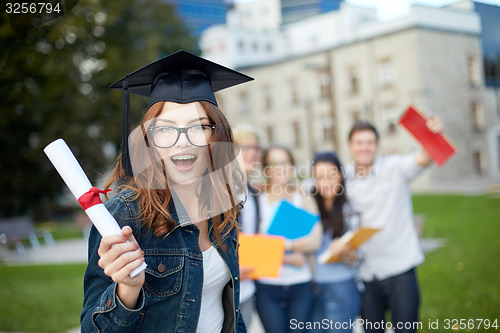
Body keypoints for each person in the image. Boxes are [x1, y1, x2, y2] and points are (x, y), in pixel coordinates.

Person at [80, 50, 253, 333]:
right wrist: (127, 289)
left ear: (216, 134)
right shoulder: (126, 213)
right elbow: (92, 329)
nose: (181, 142)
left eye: (198, 127)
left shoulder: (222, 205)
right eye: (165, 129)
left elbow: (226, 306)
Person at [344, 118, 443, 333]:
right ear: (350, 146)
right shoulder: (344, 177)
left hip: (401, 268)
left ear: (377, 145)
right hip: (366, 272)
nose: (364, 147)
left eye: (369, 142)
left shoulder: (395, 167)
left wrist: (431, 135)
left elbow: (424, 158)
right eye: (359, 142)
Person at [254, 144, 322, 333]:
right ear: (266, 169)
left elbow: (315, 241)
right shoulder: (257, 201)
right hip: (267, 287)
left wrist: (281, 245)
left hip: (302, 285)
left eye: (285, 162)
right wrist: (289, 255)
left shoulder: (304, 198)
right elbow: (251, 247)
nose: (281, 168)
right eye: (274, 163)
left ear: (292, 165)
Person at [310, 152, 361, 333]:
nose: (326, 182)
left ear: (340, 175)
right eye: (320, 177)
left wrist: (346, 253)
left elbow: (357, 259)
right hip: (310, 288)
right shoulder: (308, 204)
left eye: (331, 175)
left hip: (341, 288)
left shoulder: (349, 210)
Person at [232, 125, 263, 327]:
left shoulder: (254, 193)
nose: (252, 153)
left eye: (256, 148)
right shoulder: (222, 191)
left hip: (250, 288)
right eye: (245, 147)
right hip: (229, 289)